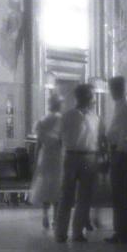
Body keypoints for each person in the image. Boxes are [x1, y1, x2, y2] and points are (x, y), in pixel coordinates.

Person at [55, 82, 100, 242]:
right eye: (91, 95)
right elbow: (58, 137)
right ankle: (60, 232)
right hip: (72, 156)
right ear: (84, 97)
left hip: (89, 156)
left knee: (85, 197)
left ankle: (77, 232)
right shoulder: (68, 116)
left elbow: (97, 139)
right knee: (67, 195)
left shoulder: (95, 117)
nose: (92, 99)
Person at [103, 75, 127, 245]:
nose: (110, 92)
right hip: (123, 153)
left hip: (120, 154)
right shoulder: (125, 106)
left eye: (111, 89)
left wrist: (107, 140)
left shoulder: (123, 107)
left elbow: (117, 133)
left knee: (120, 196)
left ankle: (122, 232)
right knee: (123, 195)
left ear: (116, 89)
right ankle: (125, 230)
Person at [31, 86, 66, 231]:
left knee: (45, 184)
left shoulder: (42, 121)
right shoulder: (61, 120)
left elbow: (38, 143)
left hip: (45, 156)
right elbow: (63, 139)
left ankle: (45, 213)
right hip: (57, 155)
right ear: (59, 105)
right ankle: (56, 217)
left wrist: (35, 160)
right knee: (57, 185)